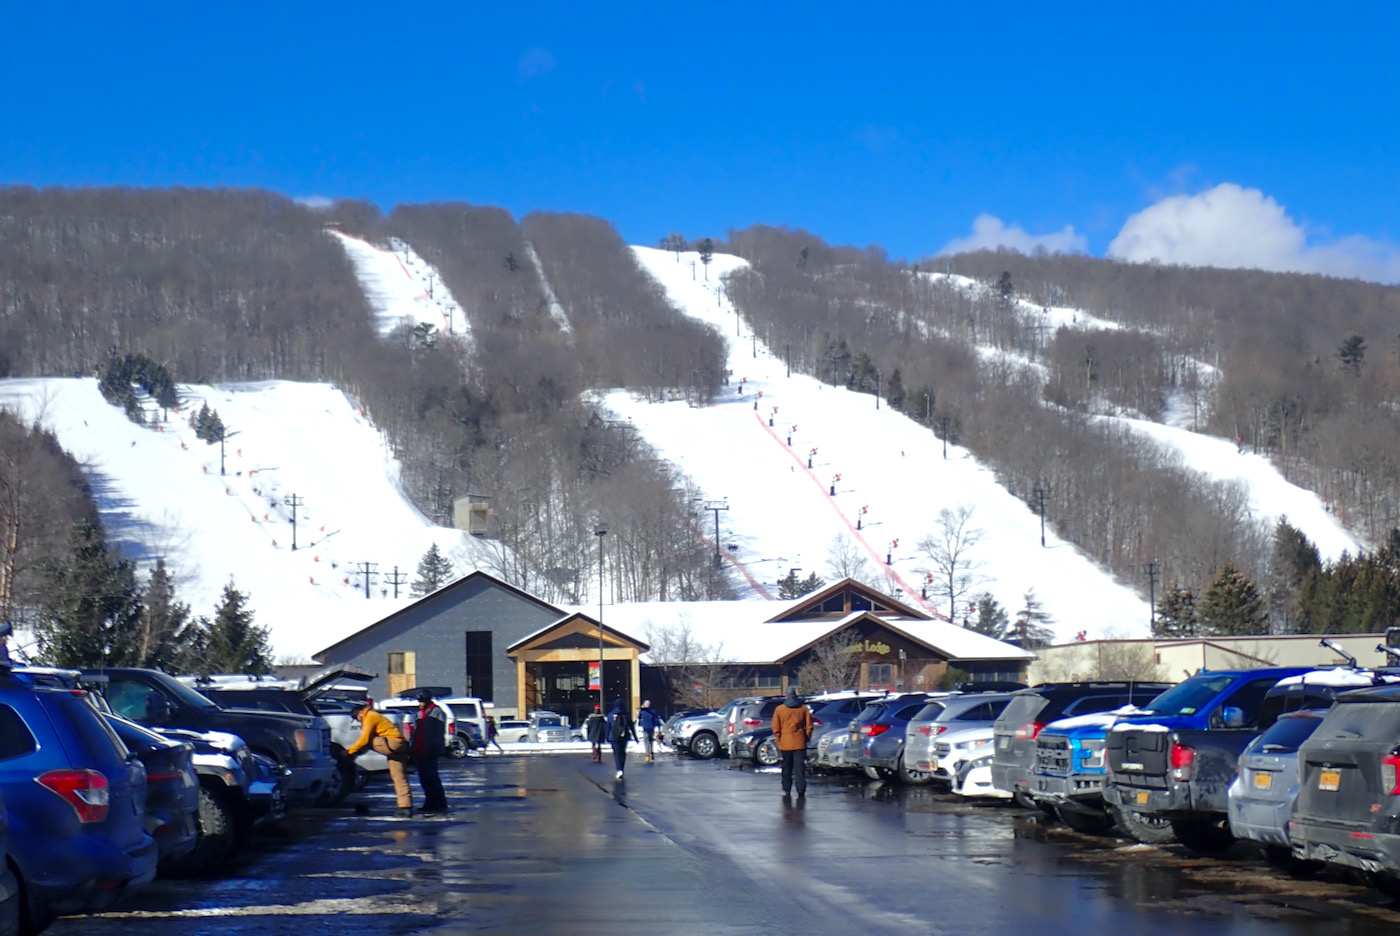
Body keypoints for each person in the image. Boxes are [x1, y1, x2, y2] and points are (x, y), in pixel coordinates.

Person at [345, 702, 413, 817]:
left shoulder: (370, 716)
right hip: (400, 746)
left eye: (357, 717)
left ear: (361, 712)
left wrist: (349, 752)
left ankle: (354, 755)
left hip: (393, 744)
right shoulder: (374, 715)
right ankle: (405, 807)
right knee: (399, 777)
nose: (358, 720)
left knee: (368, 741)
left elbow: (364, 740)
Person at [771, 687, 813, 798]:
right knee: (799, 768)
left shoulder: (780, 710)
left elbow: (776, 727)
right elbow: (809, 726)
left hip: (785, 742)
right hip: (800, 742)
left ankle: (786, 788)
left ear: (786, 696)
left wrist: (779, 739)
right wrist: (806, 738)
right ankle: (800, 789)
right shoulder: (803, 709)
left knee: (786, 767)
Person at [412, 690, 449, 814]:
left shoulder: (436, 712)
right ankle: (429, 802)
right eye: (419, 701)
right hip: (420, 749)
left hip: (430, 749)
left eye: (422, 701)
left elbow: (439, 732)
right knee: (424, 779)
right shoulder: (419, 714)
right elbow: (417, 732)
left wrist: (436, 747)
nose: (420, 704)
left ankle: (440, 803)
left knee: (433, 778)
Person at [607, 697, 636, 780]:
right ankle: (622, 769)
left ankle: (618, 769)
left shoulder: (611, 714)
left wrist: (607, 737)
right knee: (623, 753)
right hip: (624, 736)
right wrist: (635, 737)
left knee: (617, 753)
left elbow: (608, 726)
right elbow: (631, 726)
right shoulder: (626, 714)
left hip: (614, 736)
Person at [637, 699, 662, 764]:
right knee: (650, 740)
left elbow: (639, 717)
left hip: (646, 727)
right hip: (652, 727)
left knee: (646, 741)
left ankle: (647, 754)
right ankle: (651, 752)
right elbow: (656, 718)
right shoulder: (653, 711)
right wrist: (658, 727)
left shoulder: (642, 711)